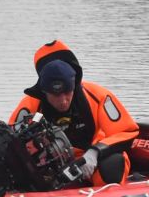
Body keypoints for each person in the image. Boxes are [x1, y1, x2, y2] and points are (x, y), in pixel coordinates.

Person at [8, 40, 139, 186]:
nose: (63, 101)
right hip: (51, 169)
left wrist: (95, 152)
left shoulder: (98, 96)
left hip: (90, 163)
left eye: (67, 93)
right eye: (56, 96)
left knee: (114, 163)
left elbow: (127, 132)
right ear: (44, 92)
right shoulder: (30, 104)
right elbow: (10, 142)